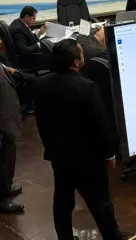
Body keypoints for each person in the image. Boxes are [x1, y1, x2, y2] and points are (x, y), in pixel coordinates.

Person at [33, 39, 123, 240]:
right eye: (81, 53)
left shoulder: (41, 84)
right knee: (101, 204)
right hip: (88, 160)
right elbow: (100, 123)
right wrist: (109, 153)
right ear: (76, 62)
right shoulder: (86, 87)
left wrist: (51, 148)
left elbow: (41, 121)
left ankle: (64, 237)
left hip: (60, 157)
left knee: (63, 201)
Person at [0, 61, 23, 213]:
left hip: (7, 121)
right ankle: (2, 198)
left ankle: (6, 187)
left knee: (8, 158)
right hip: (2, 124)